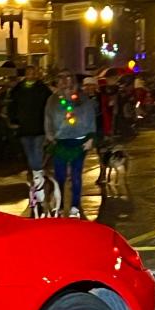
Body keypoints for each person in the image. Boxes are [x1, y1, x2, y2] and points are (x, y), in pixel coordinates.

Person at [45, 70, 96, 218]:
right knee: (59, 176)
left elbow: (91, 117)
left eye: (68, 77)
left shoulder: (83, 99)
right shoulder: (53, 100)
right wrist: (49, 135)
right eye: (61, 78)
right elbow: (48, 119)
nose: (65, 81)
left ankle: (74, 206)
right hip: (60, 141)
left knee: (76, 175)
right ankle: (60, 205)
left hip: (79, 140)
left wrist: (90, 138)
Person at [8, 65, 52, 202]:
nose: (30, 75)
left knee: (37, 151)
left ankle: (37, 176)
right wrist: (13, 120)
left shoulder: (43, 89)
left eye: (33, 72)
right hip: (24, 128)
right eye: (28, 72)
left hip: (39, 127)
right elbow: (12, 105)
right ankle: (36, 174)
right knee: (29, 152)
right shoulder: (18, 89)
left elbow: (49, 105)